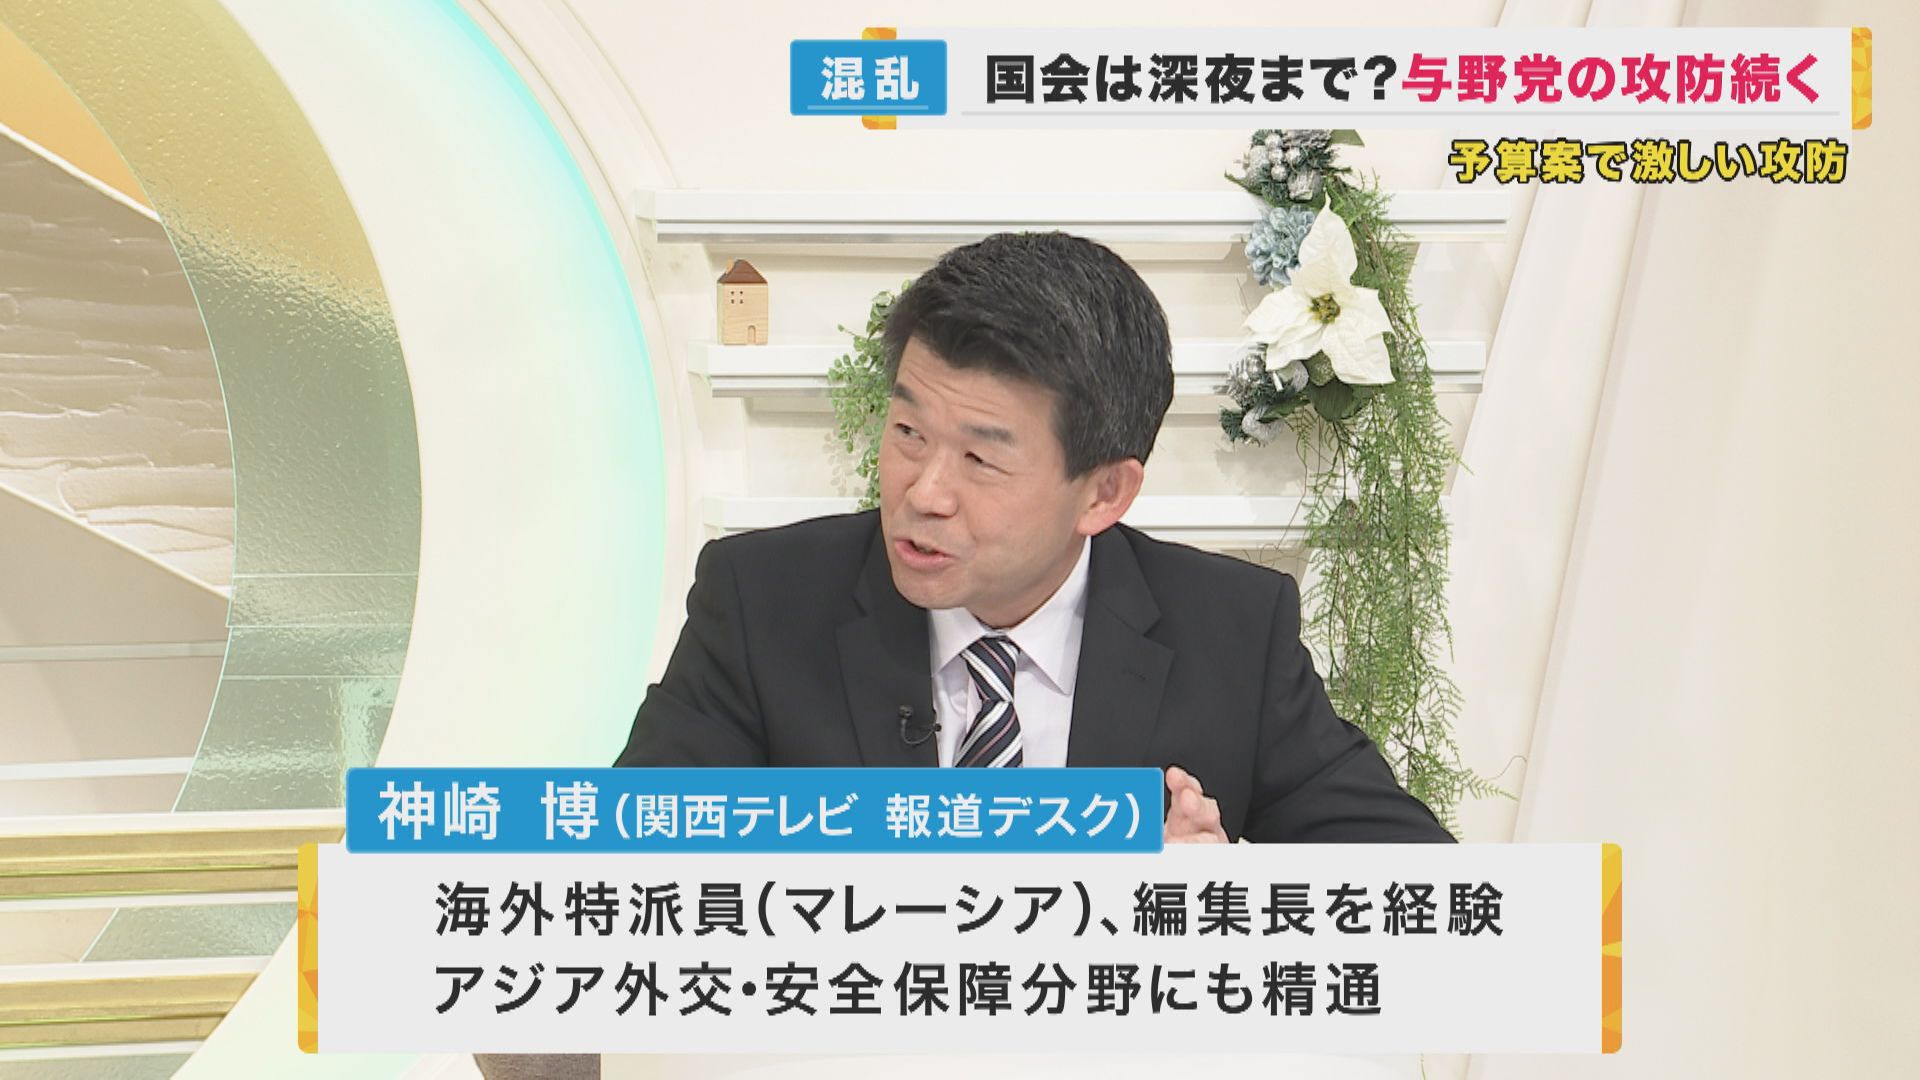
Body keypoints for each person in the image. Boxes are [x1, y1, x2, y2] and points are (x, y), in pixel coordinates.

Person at [617, 231, 1450, 844]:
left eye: (981, 459)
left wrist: (1218, 894)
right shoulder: (761, 602)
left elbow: (1423, 891)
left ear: (1104, 492)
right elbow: (626, 871)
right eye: (908, 432)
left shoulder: (1232, 631)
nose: (923, 493)